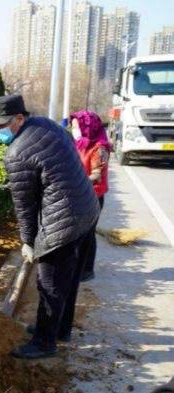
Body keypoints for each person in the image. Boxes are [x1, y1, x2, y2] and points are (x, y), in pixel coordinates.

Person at [0, 95, 100, 359]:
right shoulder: (47, 124)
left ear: (19, 118)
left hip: (63, 223)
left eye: (0, 125)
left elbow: (25, 207)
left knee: (49, 284)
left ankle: (44, 342)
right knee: (68, 278)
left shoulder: (16, 153)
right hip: (87, 209)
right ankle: (60, 329)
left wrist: (28, 242)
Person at [69, 110, 111, 282]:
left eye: (77, 127)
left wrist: (74, 181)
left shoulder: (99, 148)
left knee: (87, 234)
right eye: (73, 127)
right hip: (80, 195)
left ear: (88, 127)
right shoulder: (80, 144)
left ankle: (86, 270)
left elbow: (96, 175)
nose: (74, 130)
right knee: (79, 233)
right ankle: (78, 267)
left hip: (92, 197)